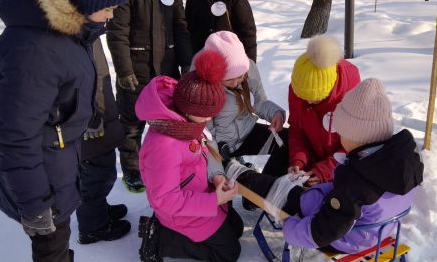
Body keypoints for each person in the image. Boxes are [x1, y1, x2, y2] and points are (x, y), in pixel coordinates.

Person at [0, 0, 133, 260]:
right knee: (52, 251)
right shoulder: (35, 50)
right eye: (108, 7)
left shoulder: (70, 33)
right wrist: (36, 205)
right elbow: (14, 136)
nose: (111, 16)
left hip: (57, 169)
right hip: (42, 188)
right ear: (84, 0)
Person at [230, 78, 424, 254]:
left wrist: (291, 228)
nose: (339, 137)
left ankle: (236, 172)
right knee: (299, 187)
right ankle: (244, 174)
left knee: (277, 190)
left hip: (348, 237)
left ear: (356, 136)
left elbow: (323, 231)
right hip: (378, 228)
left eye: (342, 133)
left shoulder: (355, 185)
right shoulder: (402, 162)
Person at [135, 50, 243, 262]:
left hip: (199, 196)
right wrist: (214, 200)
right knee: (228, 253)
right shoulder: (164, 145)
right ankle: (160, 239)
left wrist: (216, 177)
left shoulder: (187, 125)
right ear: (188, 108)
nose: (210, 119)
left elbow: (203, 155)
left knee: (236, 229)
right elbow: (166, 198)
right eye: (207, 113)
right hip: (180, 211)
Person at [107, 0, 193, 192]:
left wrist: (186, 62)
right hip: (136, 69)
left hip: (167, 69)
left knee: (169, 121)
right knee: (132, 124)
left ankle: (167, 162)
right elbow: (117, 32)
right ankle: (133, 170)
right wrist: (124, 70)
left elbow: (181, 27)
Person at [200, 31, 287, 177]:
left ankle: (269, 188)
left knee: (286, 142)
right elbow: (206, 134)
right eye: (228, 80)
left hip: (247, 133)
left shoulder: (249, 68)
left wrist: (276, 113)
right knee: (233, 179)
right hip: (220, 146)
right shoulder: (203, 88)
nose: (235, 82)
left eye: (240, 77)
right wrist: (220, 158)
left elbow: (259, 101)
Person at [75, 38, 132, 244]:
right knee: (95, 174)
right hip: (90, 120)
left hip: (99, 113)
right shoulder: (74, 31)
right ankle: (93, 227)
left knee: (100, 169)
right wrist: (90, 116)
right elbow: (76, 80)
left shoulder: (87, 29)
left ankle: (98, 209)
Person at [287, 35, 361, 186]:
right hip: (312, 164)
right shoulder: (299, 88)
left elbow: (357, 143)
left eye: (314, 99)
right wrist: (298, 159)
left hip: (344, 168)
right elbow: (297, 130)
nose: (307, 102)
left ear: (327, 91)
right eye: (302, 96)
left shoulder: (351, 93)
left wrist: (327, 169)